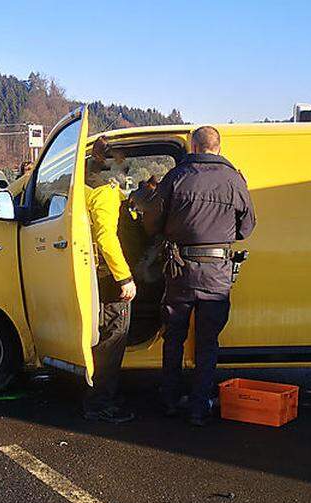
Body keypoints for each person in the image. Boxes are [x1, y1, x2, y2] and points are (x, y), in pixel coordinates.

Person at [145, 126, 255, 425]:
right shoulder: (234, 180)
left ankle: (169, 400)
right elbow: (246, 229)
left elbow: (151, 221)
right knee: (208, 343)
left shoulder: (176, 177)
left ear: (193, 146)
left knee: (174, 338)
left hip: (180, 271)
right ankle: (198, 408)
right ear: (218, 147)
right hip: (217, 274)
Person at [82, 137, 137, 423]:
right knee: (114, 335)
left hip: (91, 270)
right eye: (123, 162)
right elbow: (105, 236)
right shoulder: (104, 191)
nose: (126, 169)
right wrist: (125, 277)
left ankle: (101, 395)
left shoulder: (84, 183)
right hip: (108, 274)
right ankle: (101, 402)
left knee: (102, 335)